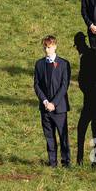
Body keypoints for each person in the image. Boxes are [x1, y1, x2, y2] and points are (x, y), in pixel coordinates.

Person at [33, 34, 71, 167]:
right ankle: (52, 162)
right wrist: (44, 101)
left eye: (49, 47)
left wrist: (53, 103)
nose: (46, 50)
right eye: (45, 48)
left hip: (59, 108)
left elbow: (64, 86)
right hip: (45, 108)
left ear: (55, 47)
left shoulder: (64, 64)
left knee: (63, 136)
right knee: (49, 137)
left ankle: (66, 162)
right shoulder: (39, 64)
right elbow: (37, 85)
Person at [73, 32, 96, 165]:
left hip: (91, 97)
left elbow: (83, 79)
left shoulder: (86, 57)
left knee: (82, 127)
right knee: (95, 127)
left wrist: (85, 89)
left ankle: (80, 159)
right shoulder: (94, 54)